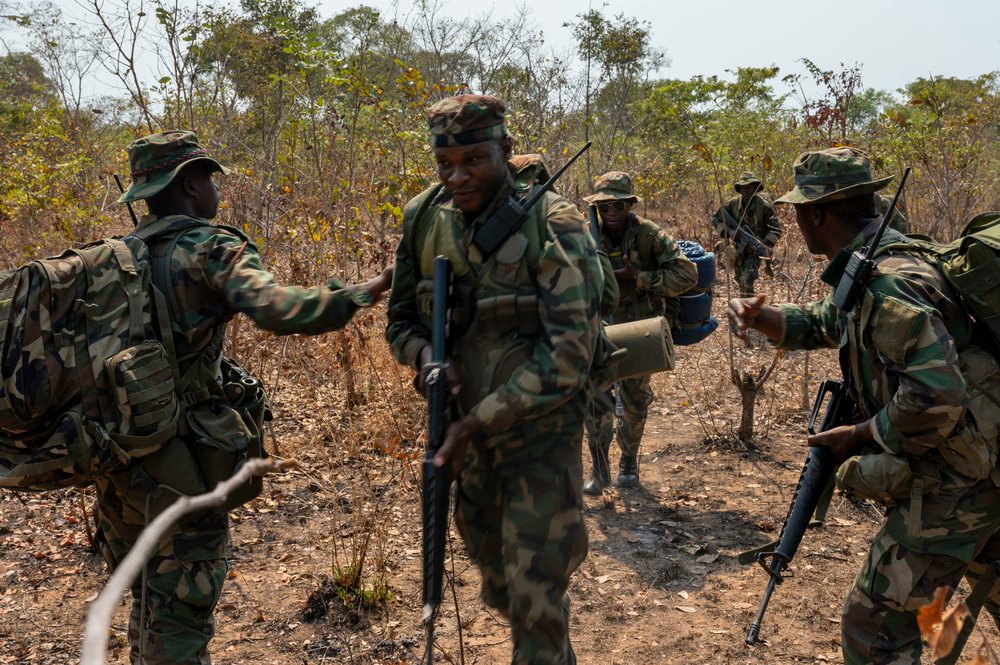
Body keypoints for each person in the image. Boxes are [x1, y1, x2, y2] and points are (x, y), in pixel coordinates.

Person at [104, 130, 392, 664]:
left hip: (117, 462)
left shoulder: (116, 257)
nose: (215, 189)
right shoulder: (210, 248)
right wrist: (367, 290)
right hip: (179, 465)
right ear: (189, 184)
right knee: (181, 620)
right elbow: (282, 309)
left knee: (149, 602)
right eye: (208, 178)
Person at [728, 146, 1000, 664]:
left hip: (959, 484)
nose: (795, 220)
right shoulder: (886, 257)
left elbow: (935, 396)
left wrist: (862, 435)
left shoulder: (886, 284)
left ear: (817, 212)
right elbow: (836, 319)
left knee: (873, 624)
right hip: (987, 464)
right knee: (950, 592)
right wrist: (766, 319)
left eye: (798, 211)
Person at [385, 94, 602, 664]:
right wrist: (427, 357)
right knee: (502, 589)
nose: (458, 177)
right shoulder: (423, 218)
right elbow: (400, 323)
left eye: (475, 160)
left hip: (539, 446)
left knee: (536, 599)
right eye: (446, 164)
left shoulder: (553, 223)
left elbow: (568, 356)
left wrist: (478, 421)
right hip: (467, 445)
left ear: (505, 151)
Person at [581, 172, 697, 492]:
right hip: (599, 327)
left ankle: (628, 460)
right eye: (604, 206)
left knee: (633, 400)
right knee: (596, 397)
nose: (611, 212)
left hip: (639, 326)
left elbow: (687, 273)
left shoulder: (649, 235)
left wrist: (639, 278)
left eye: (619, 205)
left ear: (630, 204)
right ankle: (600, 467)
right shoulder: (585, 234)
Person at [711, 171, 782, 295]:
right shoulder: (731, 204)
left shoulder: (764, 207)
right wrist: (730, 231)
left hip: (755, 250)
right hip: (737, 248)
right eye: (744, 188)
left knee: (748, 279)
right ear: (740, 189)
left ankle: (749, 306)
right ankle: (745, 304)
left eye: (750, 187)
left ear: (755, 188)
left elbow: (776, 229)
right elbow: (716, 219)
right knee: (739, 279)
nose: (747, 191)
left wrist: (764, 243)